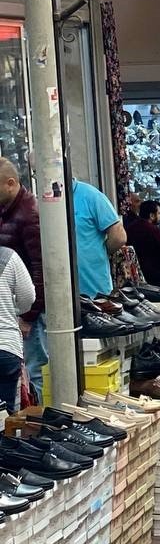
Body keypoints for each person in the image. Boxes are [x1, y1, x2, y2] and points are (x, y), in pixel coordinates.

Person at [0, 158, 46, 404]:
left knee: (33, 371)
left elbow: (40, 269)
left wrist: (28, 317)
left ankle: (34, 430)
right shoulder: (8, 210)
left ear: (10, 183)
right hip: (14, 309)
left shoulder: (29, 215)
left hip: (28, 311)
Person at [72, 179, 126, 300]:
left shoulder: (90, 196)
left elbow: (118, 236)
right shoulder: (44, 202)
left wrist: (98, 252)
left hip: (93, 291)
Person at [0, 245, 33, 409]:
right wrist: (13, 310)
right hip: (5, 346)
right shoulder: (7, 256)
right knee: (5, 415)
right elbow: (28, 297)